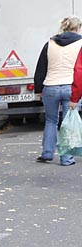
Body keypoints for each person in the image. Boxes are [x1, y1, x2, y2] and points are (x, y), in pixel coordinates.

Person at [36, 15, 82, 165]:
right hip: (71, 87)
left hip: (50, 87)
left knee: (51, 120)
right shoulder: (80, 43)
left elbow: (41, 68)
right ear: (77, 28)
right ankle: (66, 158)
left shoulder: (50, 43)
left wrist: (38, 89)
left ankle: (47, 153)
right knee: (67, 123)